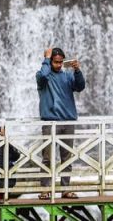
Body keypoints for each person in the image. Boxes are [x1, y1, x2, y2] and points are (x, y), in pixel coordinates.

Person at [36, 47, 85, 199]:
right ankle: (45, 189)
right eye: (55, 62)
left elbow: (80, 86)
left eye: (61, 62)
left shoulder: (67, 76)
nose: (58, 65)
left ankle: (65, 188)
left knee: (67, 158)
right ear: (50, 61)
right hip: (50, 122)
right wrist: (46, 58)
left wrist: (77, 71)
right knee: (47, 158)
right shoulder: (42, 76)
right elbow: (43, 73)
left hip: (68, 121)